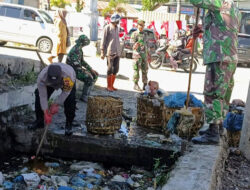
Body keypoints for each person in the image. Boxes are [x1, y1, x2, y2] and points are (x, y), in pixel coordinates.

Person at [190, 0, 240, 144]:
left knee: (213, 92)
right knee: (223, 94)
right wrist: (204, 28)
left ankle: (212, 132)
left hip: (219, 54)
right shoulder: (234, 7)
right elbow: (223, 27)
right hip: (229, 56)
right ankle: (217, 127)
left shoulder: (219, 1)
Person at [29, 63, 76, 136]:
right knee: (38, 94)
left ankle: (69, 124)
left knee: (70, 99)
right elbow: (43, 96)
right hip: (48, 82)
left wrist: (56, 104)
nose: (55, 86)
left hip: (66, 80)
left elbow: (66, 93)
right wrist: (45, 112)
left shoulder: (68, 76)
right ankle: (39, 121)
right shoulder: (42, 77)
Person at [66, 35, 98, 102]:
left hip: (75, 69)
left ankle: (86, 94)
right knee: (89, 78)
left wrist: (90, 69)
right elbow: (76, 65)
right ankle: (84, 96)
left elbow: (82, 61)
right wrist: (85, 71)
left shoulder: (79, 48)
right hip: (72, 71)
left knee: (94, 74)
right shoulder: (76, 50)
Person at [100, 13, 121, 92]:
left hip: (117, 52)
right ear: (114, 20)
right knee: (110, 69)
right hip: (110, 52)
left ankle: (112, 85)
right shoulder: (107, 27)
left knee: (116, 69)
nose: (119, 21)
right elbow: (103, 40)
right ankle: (108, 86)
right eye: (118, 20)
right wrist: (102, 52)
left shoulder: (117, 28)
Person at [131, 19, 149, 91]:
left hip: (144, 55)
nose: (141, 26)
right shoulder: (134, 34)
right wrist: (135, 45)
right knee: (136, 70)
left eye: (143, 25)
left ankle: (145, 84)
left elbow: (146, 44)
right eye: (140, 25)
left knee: (145, 70)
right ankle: (135, 84)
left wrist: (148, 54)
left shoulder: (145, 34)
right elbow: (131, 44)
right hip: (137, 55)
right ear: (137, 25)